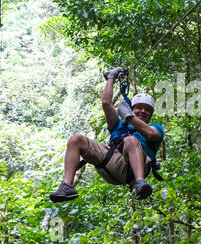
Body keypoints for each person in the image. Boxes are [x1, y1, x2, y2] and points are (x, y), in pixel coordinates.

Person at [50, 67, 164, 202]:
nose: (143, 111)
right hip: (112, 163)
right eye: (139, 107)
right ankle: (66, 186)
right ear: (133, 108)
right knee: (76, 140)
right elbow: (106, 103)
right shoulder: (119, 125)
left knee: (131, 140)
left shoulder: (155, 127)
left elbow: (151, 135)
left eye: (147, 110)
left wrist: (129, 116)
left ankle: (140, 183)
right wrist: (111, 78)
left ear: (151, 115)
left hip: (136, 169)